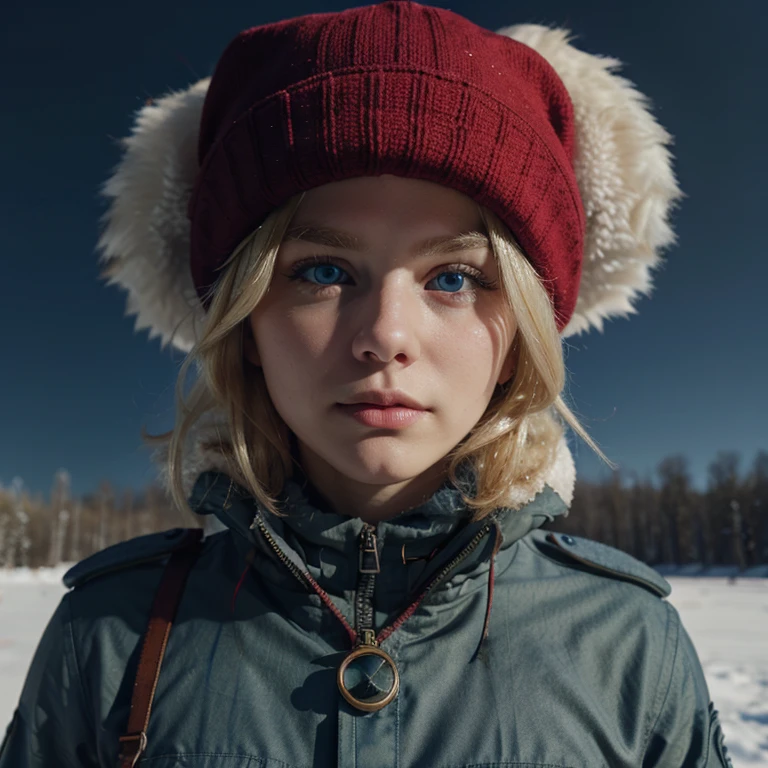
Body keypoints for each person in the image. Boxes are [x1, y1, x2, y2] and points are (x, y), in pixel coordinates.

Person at [0, 2, 733, 766]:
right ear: (246, 321)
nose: (385, 335)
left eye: (454, 276)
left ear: (520, 332)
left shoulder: (629, 645)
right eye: (322, 272)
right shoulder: (110, 633)